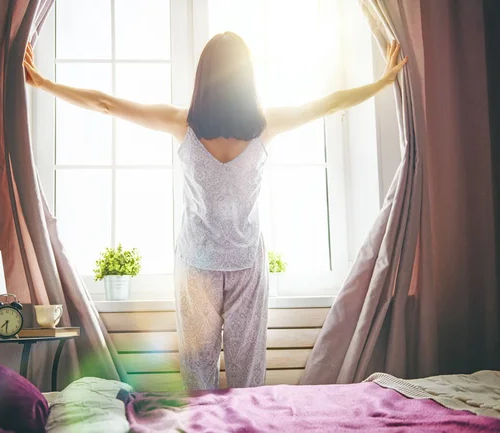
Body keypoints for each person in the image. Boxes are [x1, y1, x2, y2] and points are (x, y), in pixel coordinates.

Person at [23, 33, 407, 391]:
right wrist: (381, 83)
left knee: (198, 379)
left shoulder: (183, 124)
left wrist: (44, 83)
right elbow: (329, 103)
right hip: (239, 265)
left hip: (198, 264)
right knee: (247, 378)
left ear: (203, 78)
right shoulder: (264, 127)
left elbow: (107, 104)